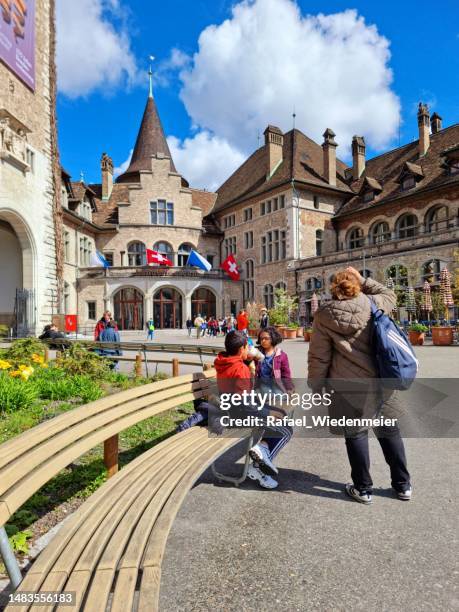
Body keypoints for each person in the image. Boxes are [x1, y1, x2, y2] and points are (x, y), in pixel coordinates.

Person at [307, 266, 412, 505]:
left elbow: (319, 356)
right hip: (382, 379)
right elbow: (390, 293)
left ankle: (363, 489)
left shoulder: (324, 314)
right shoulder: (374, 303)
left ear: (334, 288)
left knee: (355, 435)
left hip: (347, 385)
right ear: (356, 285)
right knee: (389, 431)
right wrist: (363, 279)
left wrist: (316, 384)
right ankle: (403, 485)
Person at [214, 331, 286, 490]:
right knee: (286, 427)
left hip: (230, 410)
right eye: (248, 346)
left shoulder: (223, 361)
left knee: (281, 414)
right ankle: (259, 467)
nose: (250, 349)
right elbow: (244, 403)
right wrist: (268, 414)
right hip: (239, 415)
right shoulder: (240, 368)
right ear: (241, 349)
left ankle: (263, 451)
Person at [252, 326, 293, 476]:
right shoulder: (256, 353)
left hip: (276, 389)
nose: (263, 341)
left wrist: (290, 390)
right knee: (280, 420)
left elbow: (286, 375)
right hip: (260, 391)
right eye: (261, 338)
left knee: (282, 419)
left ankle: (263, 449)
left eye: (266, 338)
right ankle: (263, 452)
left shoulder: (281, 355)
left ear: (273, 339)